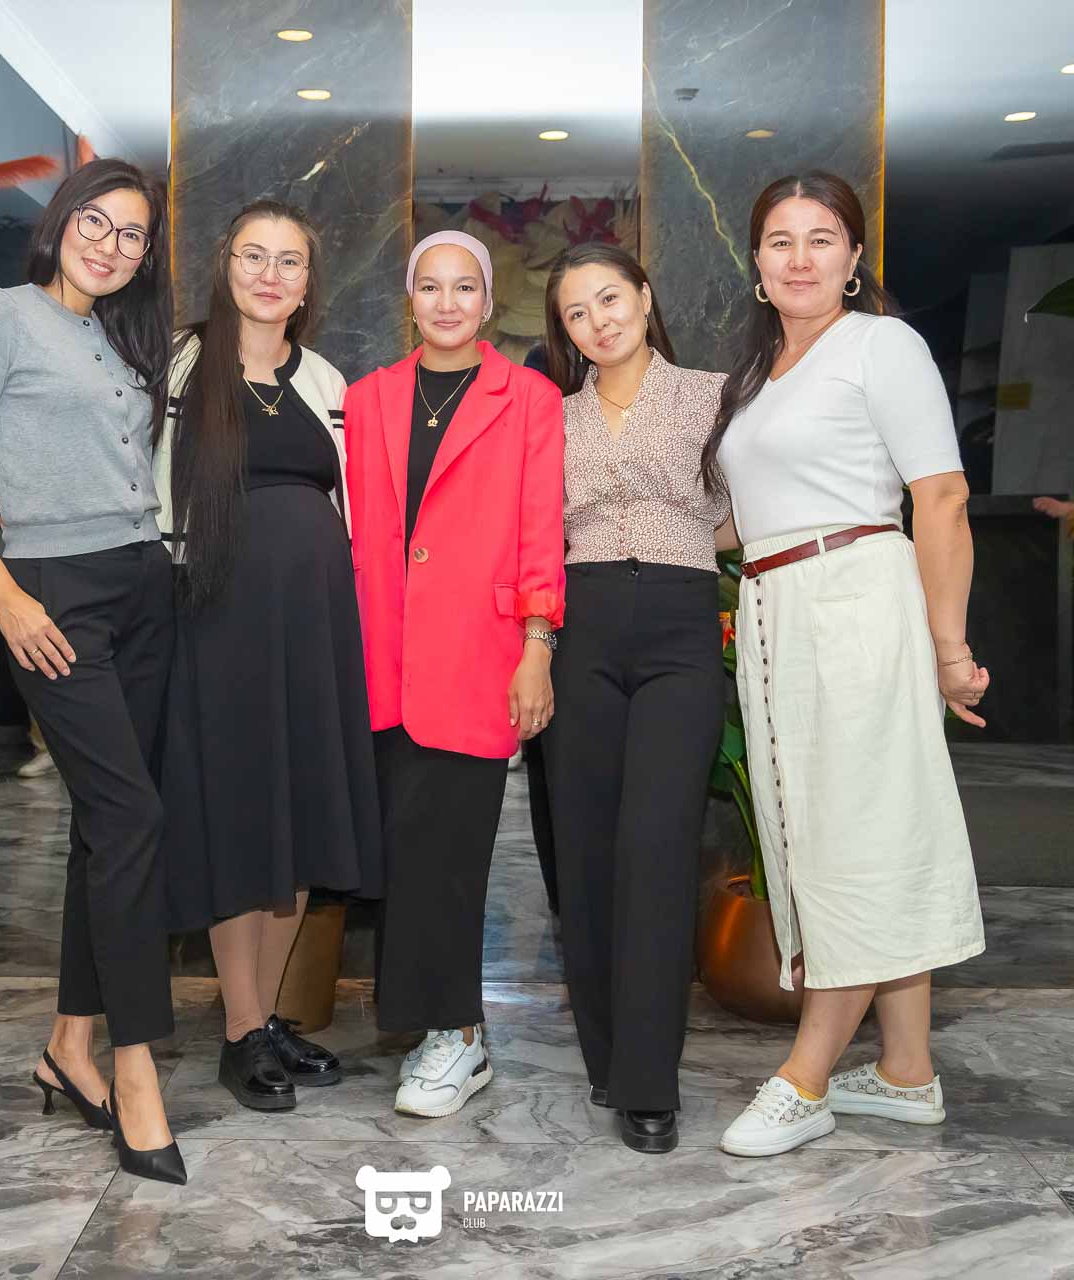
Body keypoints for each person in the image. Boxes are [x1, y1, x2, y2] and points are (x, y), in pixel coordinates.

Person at [704, 171, 988, 1160]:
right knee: (847, 830)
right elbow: (743, 518)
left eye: (821, 238)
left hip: (856, 597)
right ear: (756, 263)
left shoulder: (882, 346)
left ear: (855, 257)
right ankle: (906, 1069)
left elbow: (942, 496)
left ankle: (806, 1075)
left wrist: (949, 646)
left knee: (855, 837)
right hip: (777, 605)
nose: (800, 258)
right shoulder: (760, 375)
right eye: (780, 240)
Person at [0, 158, 186, 1186]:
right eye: (96, 222)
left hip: (141, 580)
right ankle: (135, 1067)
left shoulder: (117, 335)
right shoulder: (2, 317)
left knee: (109, 827)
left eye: (133, 234)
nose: (112, 245)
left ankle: (70, 1043)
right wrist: (6, 597)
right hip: (53, 589)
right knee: (133, 819)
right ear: (61, 221)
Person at [152, 200, 381, 1113]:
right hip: (216, 624)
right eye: (254, 255)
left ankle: (271, 1018)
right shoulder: (179, 365)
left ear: (308, 282)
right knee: (237, 820)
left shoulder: (324, 379)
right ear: (226, 265)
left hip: (315, 627)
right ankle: (241, 1029)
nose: (270, 274)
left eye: (290, 260)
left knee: (298, 822)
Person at [342, 230, 565, 1118]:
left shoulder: (529, 398)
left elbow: (541, 530)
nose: (446, 302)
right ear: (410, 299)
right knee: (402, 851)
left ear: (487, 301)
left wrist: (537, 647)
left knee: (452, 854)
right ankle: (435, 1023)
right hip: (382, 655)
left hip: (479, 654)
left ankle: (460, 1035)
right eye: (430, 286)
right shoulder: (368, 398)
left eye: (463, 287)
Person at [540, 242, 728, 1155]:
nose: (597, 322)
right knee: (585, 850)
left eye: (609, 299)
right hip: (580, 626)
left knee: (657, 846)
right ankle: (607, 1059)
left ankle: (651, 1079)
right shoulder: (552, 417)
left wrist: (684, 542)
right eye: (577, 313)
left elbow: (742, 508)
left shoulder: (714, 396)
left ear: (646, 298)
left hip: (680, 626)